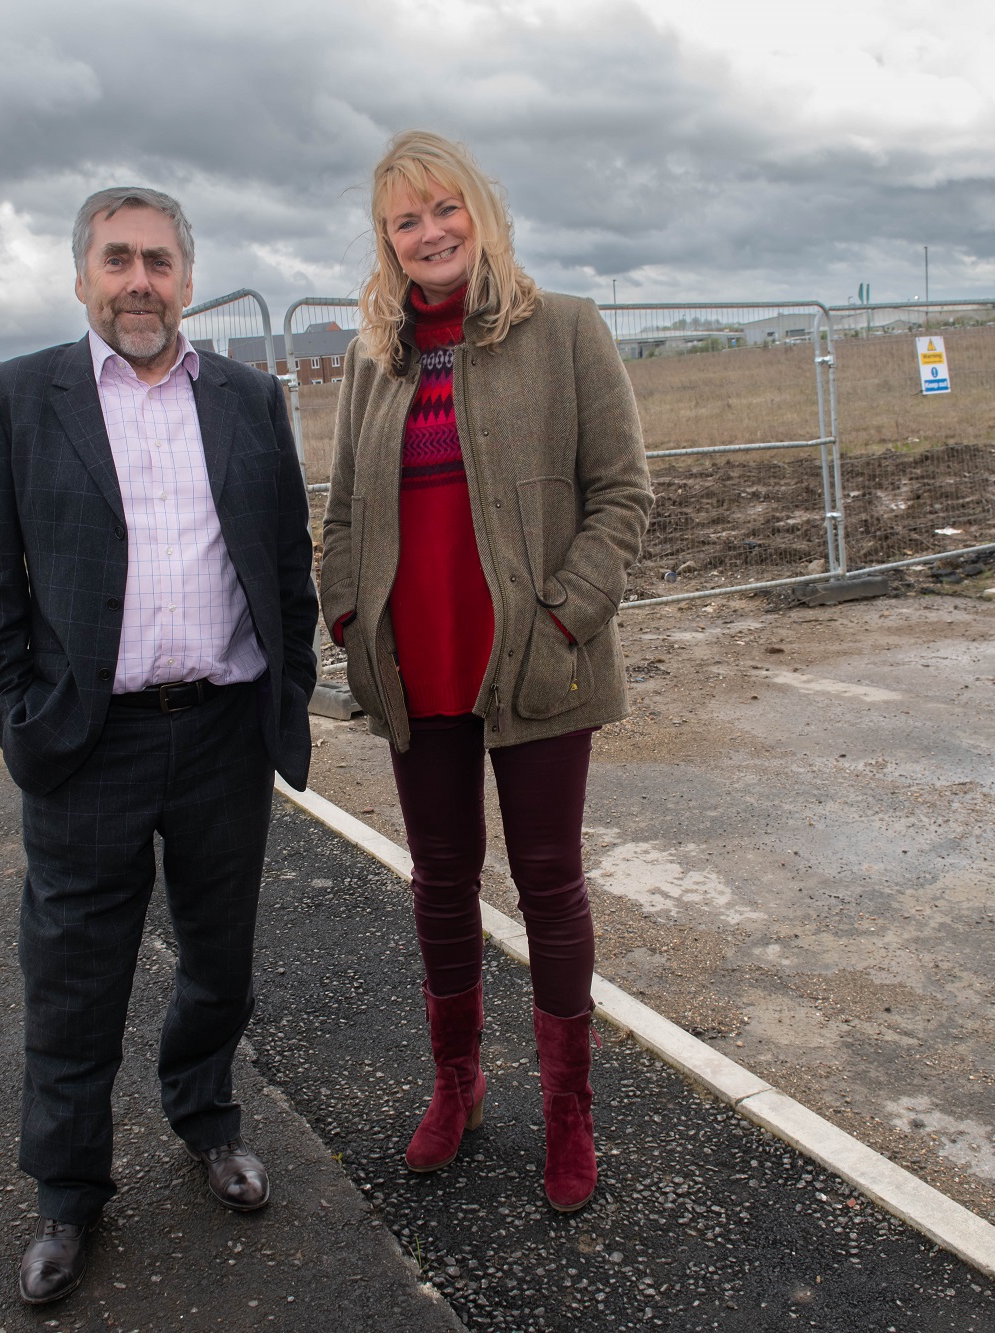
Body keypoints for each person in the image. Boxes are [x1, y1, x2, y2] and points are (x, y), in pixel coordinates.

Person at [0, 185, 318, 1305]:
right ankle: (67, 1193)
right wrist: (19, 713)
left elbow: (287, 564)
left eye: (158, 260)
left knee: (219, 959)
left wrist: (284, 689)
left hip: (220, 734)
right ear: (82, 277)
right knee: (73, 979)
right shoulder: (18, 399)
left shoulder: (252, 400)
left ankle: (206, 1122)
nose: (139, 281)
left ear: (187, 278)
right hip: (86, 742)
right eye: (116, 259)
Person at [318, 131, 651, 1214]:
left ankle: (569, 1114)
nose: (428, 232)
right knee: (439, 885)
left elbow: (620, 495)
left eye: (442, 208)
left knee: (549, 885)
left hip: (534, 666)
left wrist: (560, 618)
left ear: (481, 212)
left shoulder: (562, 331)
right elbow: (340, 517)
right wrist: (346, 619)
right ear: (386, 242)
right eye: (404, 220)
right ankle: (455, 1086)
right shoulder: (376, 362)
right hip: (417, 674)